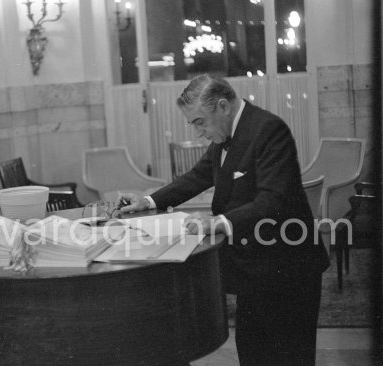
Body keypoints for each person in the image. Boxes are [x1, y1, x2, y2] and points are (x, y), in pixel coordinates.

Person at [119, 74, 330, 366]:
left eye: (199, 122)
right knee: (254, 354)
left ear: (223, 106)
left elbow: (273, 201)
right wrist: (151, 201)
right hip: (255, 270)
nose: (198, 132)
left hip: (288, 269)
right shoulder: (225, 135)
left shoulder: (269, 130)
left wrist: (218, 222)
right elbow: (198, 176)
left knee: (288, 357)